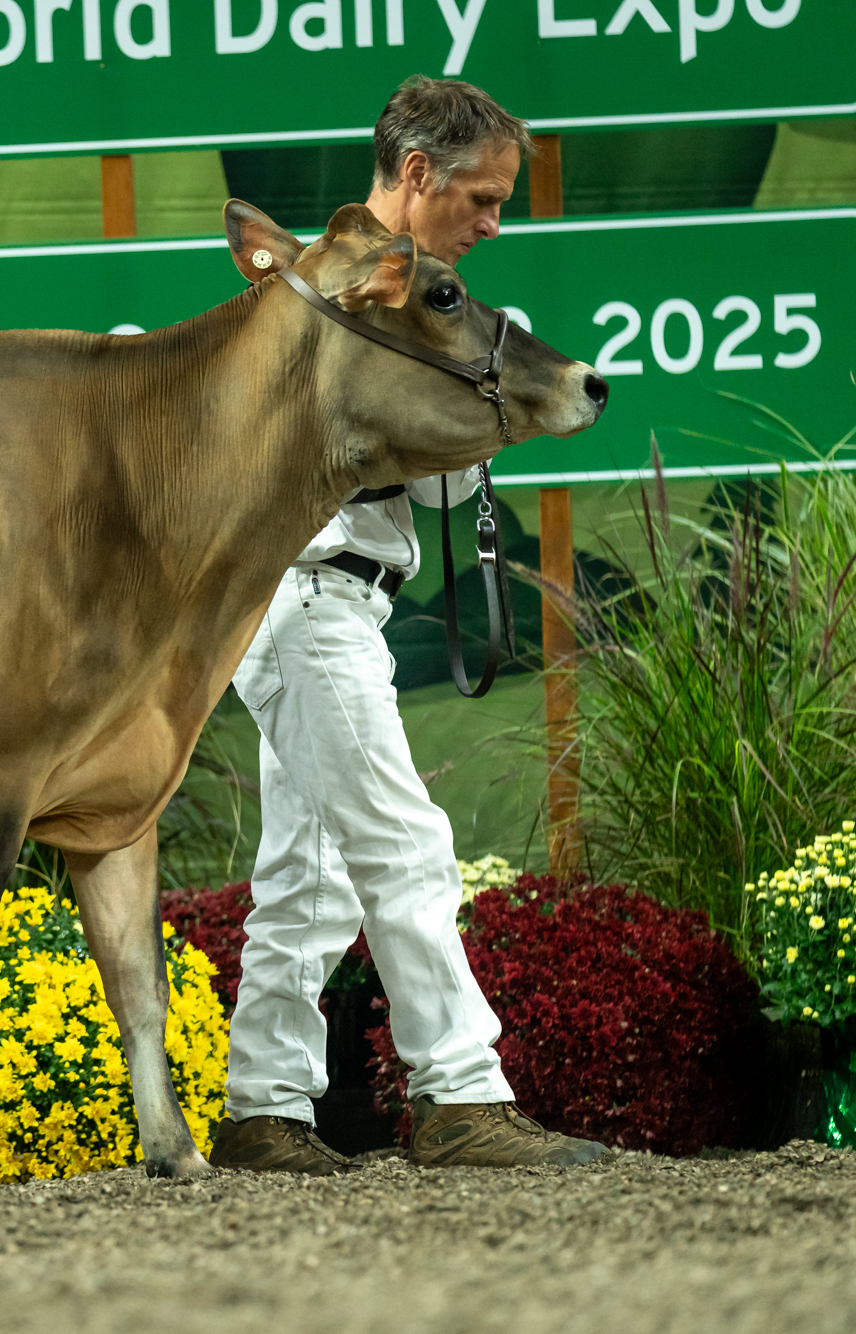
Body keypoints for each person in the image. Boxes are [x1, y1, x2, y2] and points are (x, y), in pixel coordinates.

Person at [207, 76, 607, 1174]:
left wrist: (484, 405)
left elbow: (436, 493)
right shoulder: (316, 290)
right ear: (417, 173)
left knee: (311, 878)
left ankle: (263, 1111)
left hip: (335, 599)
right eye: (482, 198)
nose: (493, 222)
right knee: (405, 844)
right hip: (301, 592)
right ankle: (460, 1093)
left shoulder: (435, 308)